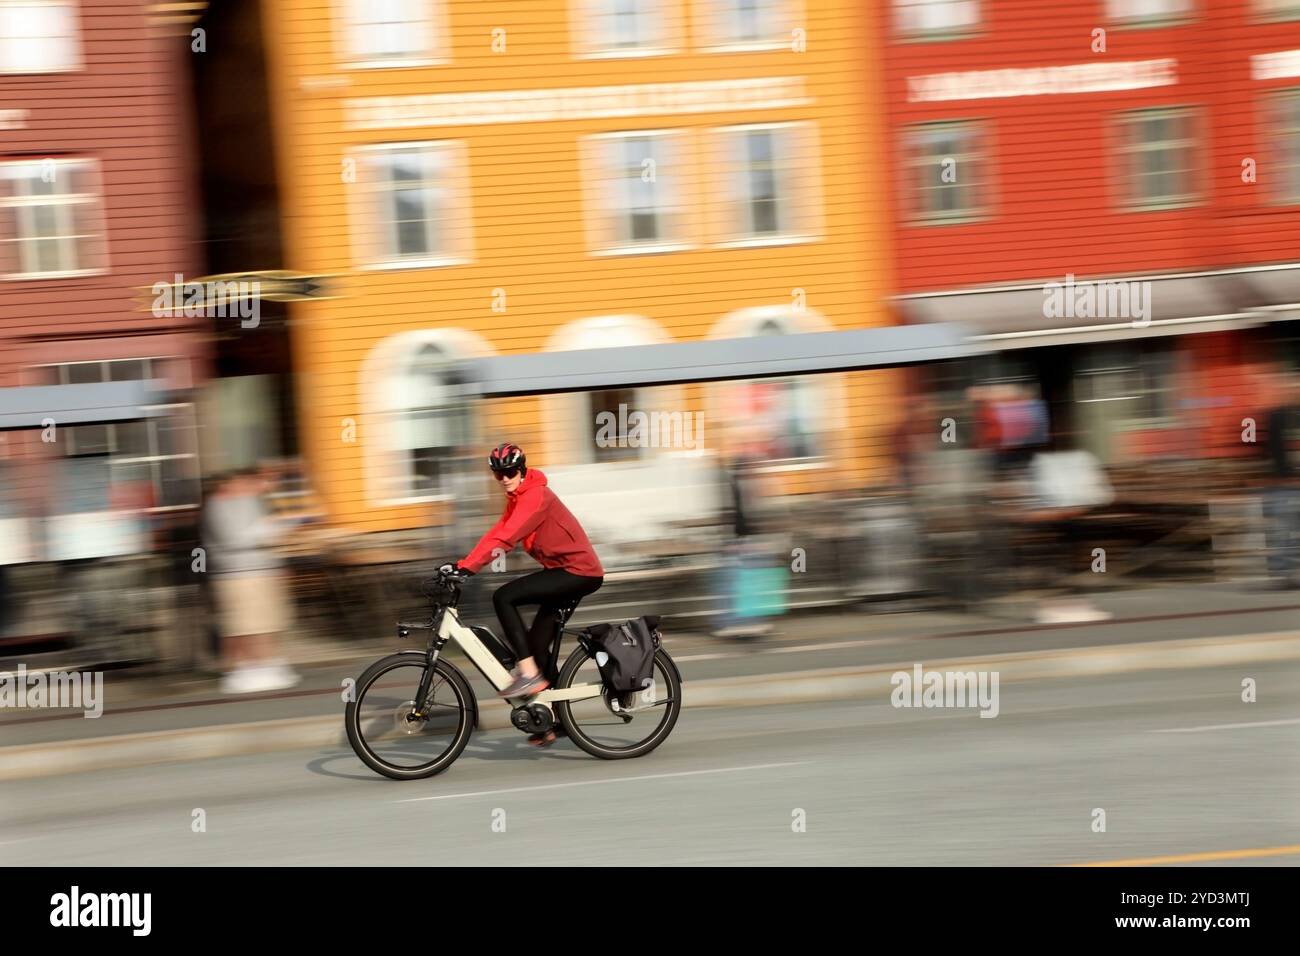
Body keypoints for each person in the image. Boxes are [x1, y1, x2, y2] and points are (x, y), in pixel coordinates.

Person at [449, 443, 605, 716]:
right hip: (563, 572)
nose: (505, 478)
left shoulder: (535, 497)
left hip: (578, 572)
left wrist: (469, 569)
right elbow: (496, 532)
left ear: (521, 470)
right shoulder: (518, 498)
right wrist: (461, 565)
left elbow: (506, 538)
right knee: (536, 646)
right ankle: (555, 718)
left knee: (504, 597)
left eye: (510, 471)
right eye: (498, 474)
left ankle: (529, 673)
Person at [204, 467, 301, 694]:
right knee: (245, 625)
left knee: (264, 622)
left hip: (259, 570)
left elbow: (260, 530)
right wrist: (268, 530)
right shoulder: (217, 505)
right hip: (237, 573)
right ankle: (242, 671)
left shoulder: (249, 501)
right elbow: (234, 537)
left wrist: (274, 532)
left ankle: (267, 665)